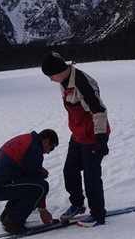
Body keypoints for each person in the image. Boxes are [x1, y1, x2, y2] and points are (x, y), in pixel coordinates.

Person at [41, 52, 110, 228]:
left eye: (51, 75)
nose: (51, 80)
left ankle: (98, 215)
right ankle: (78, 204)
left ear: (60, 70)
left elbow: (99, 111)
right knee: (70, 170)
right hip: (78, 135)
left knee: (91, 176)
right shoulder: (64, 81)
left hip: (94, 135)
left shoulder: (82, 83)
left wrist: (100, 139)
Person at [0, 129, 59, 235]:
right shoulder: (33, 150)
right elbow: (38, 183)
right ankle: (13, 221)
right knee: (41, 187)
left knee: (30, 183)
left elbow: (22, 161)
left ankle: (8, 214)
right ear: (46, 141)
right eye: (51, 148)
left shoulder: (28, 140)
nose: (49, 152)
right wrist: (43, 211)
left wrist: (38, 169)